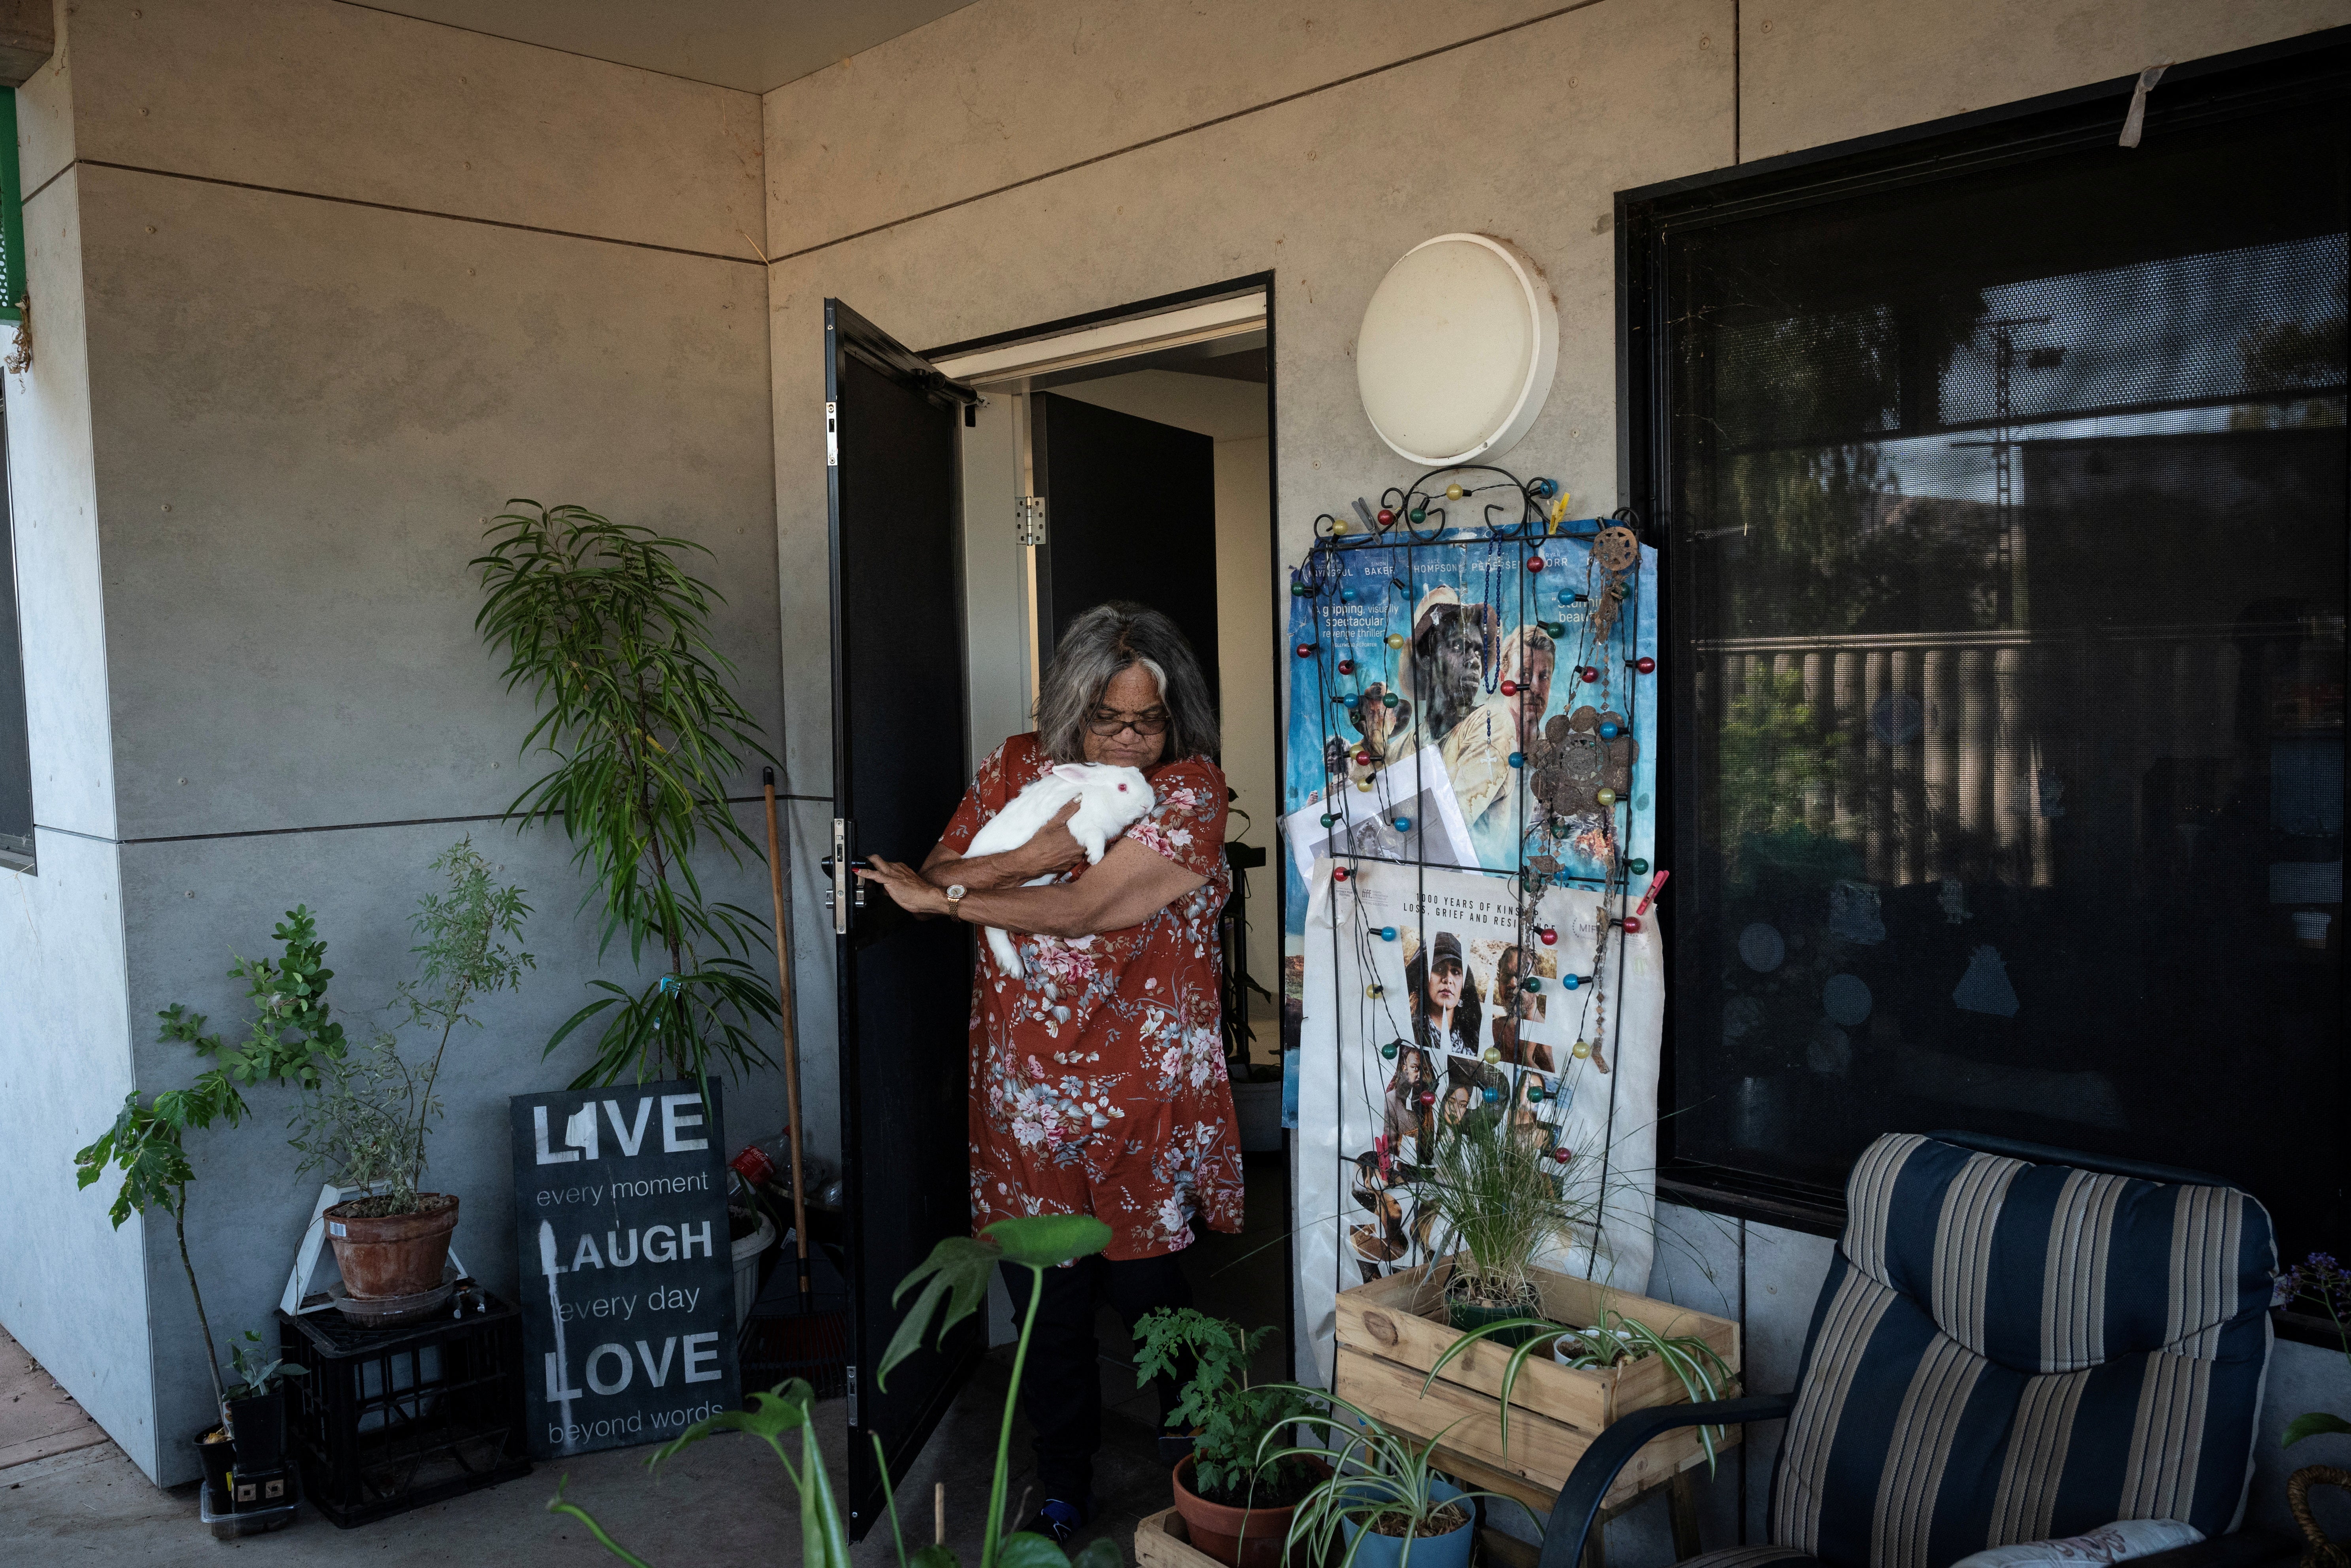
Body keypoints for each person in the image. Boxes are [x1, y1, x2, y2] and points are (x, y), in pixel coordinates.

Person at [855, 602, 1238, 1545]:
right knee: (1046, 1299)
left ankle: (1204, 1461)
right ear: (1072, 707)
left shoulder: (1189, 790)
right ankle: (1062, 1476)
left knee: (1151, 1287)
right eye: (1109, 719)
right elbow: (949, 858)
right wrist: (1008, 860)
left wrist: (974, 888)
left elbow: (1079, 908)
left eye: (1148, 719)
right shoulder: (1018, 761)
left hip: (1141, 1084)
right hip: (1025, 1085)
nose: (1129, 740)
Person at [1405, 931, 1482, 1058]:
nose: (1448, 979)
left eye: (1456, 972)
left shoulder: (1475, 1039)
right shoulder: (1408, 1032)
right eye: (1438, 968)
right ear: (1423, 979)